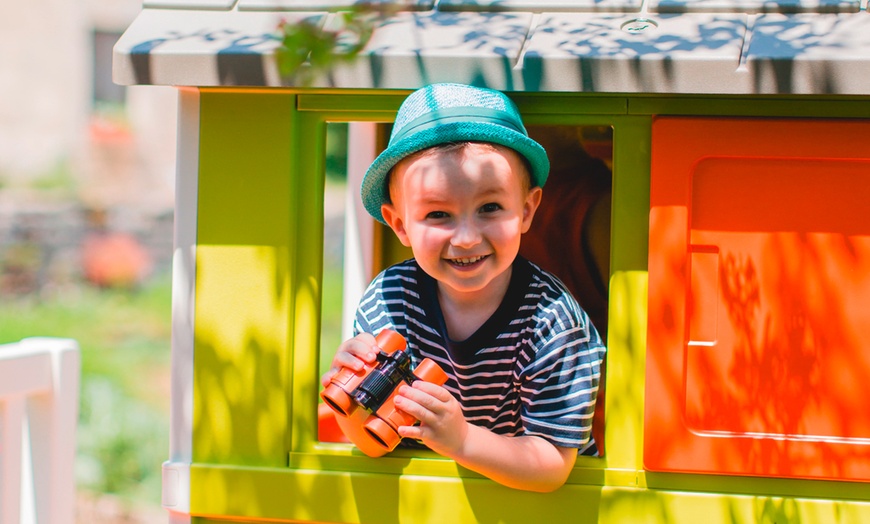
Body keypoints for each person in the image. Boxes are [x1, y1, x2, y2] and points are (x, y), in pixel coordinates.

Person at [321, 83, 606, 492]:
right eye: (439, 214)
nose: (467, 237)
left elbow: (552, 465)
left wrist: (463, 439)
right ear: (399, 224)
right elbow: (375, 441)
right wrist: (349, 405)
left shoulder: (553, 321)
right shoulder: (389, 301)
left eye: (489, 208)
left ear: (527, 210)